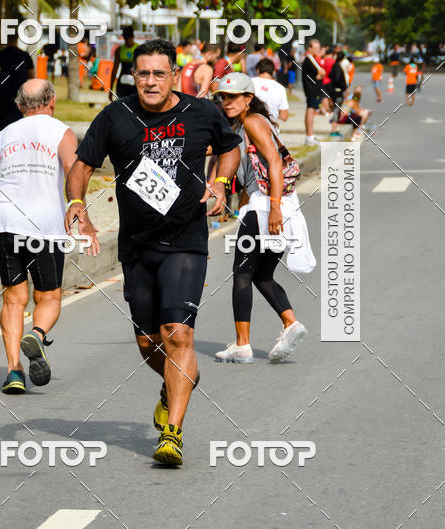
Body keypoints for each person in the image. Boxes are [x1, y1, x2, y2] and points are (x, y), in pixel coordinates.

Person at [65, 38, 241, 466]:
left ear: (174, 75)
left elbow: (230, 148)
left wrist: (219, 184)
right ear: (132, 77)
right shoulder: (115, 116)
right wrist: (76, 205)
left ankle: (173, 434)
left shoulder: (200, 112)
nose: (149, 81)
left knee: (178, 334)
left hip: (186, 241)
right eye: (142, 73)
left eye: (158, 73)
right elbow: (82, 164)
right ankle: (171, 383)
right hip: (137, 245)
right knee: (148, 342)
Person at [214, 73, 313, 365]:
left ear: (248, 98)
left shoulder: (252, 121)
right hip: (273, 206)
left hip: (268, 207)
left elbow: (274, 163)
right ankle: (291, 324)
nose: (227, 102)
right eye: (223, 96)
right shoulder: (254, 123)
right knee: (262, 274)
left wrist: (273, 208)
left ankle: (242, 345)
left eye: (233, 97)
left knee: (242, 273)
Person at [0, 79, 79, 394]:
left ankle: (14, 371)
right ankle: (38, 334)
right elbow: (73, 168)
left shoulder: (4, 134)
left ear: (19, 105)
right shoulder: (62, 131)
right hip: (44, 225)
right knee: (49, 297)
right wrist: (77, 207)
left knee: (14, 299)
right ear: (52, 101)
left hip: (6, 222)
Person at [0, 37, 35, 135]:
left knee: (1, 123)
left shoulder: (1, 54)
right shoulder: (25, 55)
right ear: (17, 39)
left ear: (6, 40)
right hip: (19, 95)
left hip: (3, 94)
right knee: (17, 122)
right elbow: (32, 75)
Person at [301, 39, 326, 145]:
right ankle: (309, 137)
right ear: (309, 48)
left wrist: (319, 75)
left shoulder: (311, 59)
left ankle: (310, 136)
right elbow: (322, 72)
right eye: (315, 48)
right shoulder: (310, 58)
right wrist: (320, 75)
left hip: (312, 89)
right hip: (311, 90)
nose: (318, 50)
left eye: (318, 48)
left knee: (311, 110)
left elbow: (318, 74)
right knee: (310, 110)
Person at [252, 58, 289, 123]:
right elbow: (284, 116)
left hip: (250, 127)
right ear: (273, 72)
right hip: (271, 129)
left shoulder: (250, 82)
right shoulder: (280, 88)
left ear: (257, 70)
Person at [326, 50, 349, 138]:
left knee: (336, 110)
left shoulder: (335, 66)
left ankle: (335, 128)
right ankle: (334, 129)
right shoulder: (338, 67)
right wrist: (344, 88)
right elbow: (337, 79)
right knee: (336, 110)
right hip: (338, 92)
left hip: (334, 91)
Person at [109, 26, 136, 100]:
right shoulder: (119, 50)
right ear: (124, 38)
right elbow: (114, 70)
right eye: (126, 39)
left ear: (133, 37)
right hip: (122, 85)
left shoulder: (139, 49)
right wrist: (110, 90)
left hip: (135, 84)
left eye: (129, 38)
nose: (128, 41)